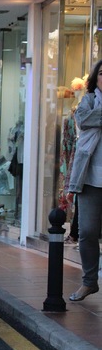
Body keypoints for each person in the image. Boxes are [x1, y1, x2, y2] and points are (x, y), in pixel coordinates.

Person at [67, 60, 102, 302]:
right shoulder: (87, 101)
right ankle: (89, 282)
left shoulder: (92, 107)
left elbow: (91, 120)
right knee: (87, 231)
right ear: (95, 78)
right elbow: (82, 119)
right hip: (89, 178)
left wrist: (95, 118)